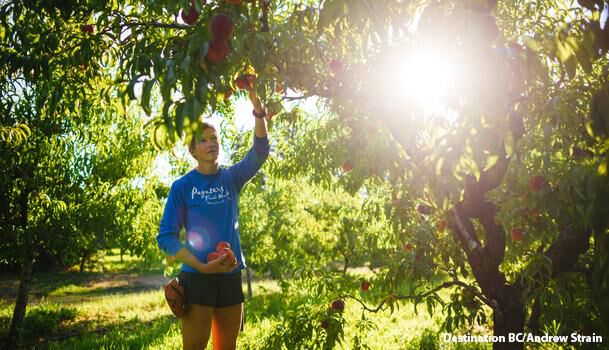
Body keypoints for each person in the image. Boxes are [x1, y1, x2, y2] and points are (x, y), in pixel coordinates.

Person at [157, 86, 269, 350]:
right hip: (197, 279)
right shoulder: (182, 187)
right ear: (193, 150)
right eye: (204, 140)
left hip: (230, 276)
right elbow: (166, 238)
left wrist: (258, 110)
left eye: (214, 138)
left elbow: (260, 151)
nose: (211, 143)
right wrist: (200, 265)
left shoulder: (231, 178)